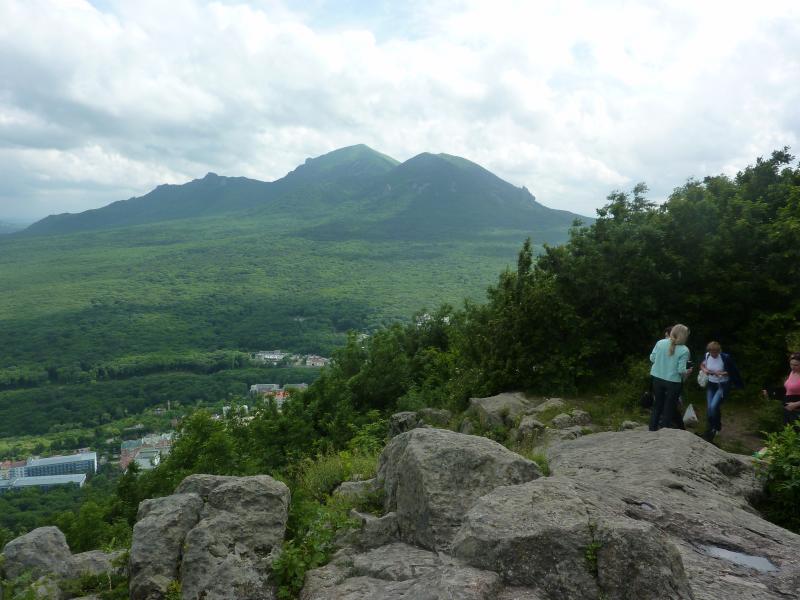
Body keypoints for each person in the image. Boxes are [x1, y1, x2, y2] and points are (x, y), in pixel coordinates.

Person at [649, 324, 692, 431]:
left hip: (657, 378)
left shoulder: (660, 343)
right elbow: (681, 370)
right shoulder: (684, 350)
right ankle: (664, 432)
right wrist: (688, 371)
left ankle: (652, 429)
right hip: (673, 381)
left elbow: (652, 358)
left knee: (657, 405)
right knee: (669, 408)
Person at [699, 341, 744, 442]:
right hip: (711, 384)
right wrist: (705, 370)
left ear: (719, 351)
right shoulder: (707, 356)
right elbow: (702, 365)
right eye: (711, 352)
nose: (713, 354)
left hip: (722, 385)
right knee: (710, 408)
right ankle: (712, 428)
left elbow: (732, 371)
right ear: (709, 351)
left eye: (715, 352)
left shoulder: (725, 358)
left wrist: (722, 373)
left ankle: (714, 428)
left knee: (713, 406)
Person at [762, 353, 800, 425]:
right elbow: (788, 390)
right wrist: (770, 393)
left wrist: (795, 404)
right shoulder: (792, 372)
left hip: (797, 410)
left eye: (796, 365)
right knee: (788, 433)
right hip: (787, 409)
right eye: (791, 364)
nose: (792, 367)